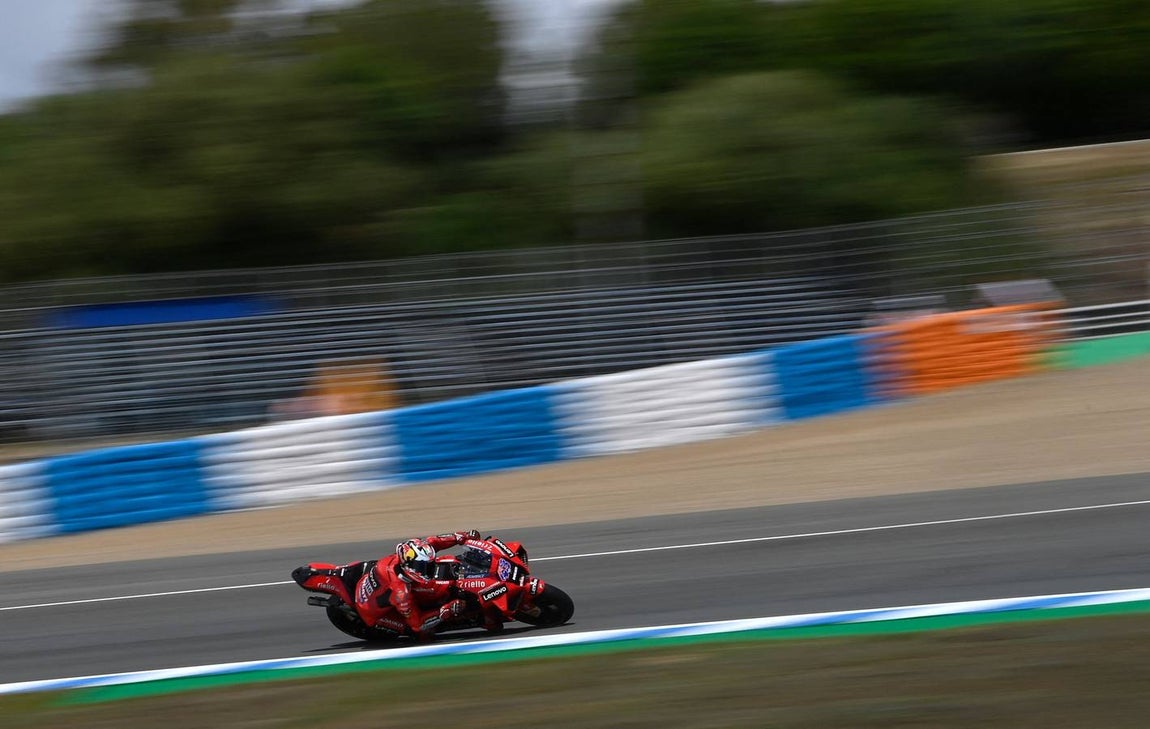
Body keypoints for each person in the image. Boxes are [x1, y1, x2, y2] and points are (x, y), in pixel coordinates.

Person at [356, 529, 482, 640]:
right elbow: (418, 624)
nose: (429, 569)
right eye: (424, 567)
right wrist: (446, 609)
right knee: (424, 633)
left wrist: (463, 536)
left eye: (430, 565)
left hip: (378, 582)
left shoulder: (410, 554)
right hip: (374, 613)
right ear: (408, 566)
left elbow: (435, 541)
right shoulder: (402, 594)